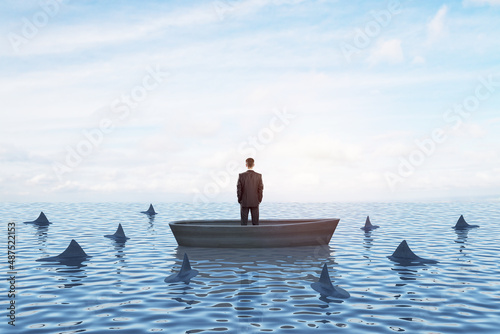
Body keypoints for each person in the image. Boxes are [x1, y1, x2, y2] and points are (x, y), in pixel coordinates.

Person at [237, 158, 263, 225]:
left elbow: (239, 189)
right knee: (255, 223)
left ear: (246, 165)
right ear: (253, 165)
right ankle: (256, 235)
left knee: (243, 223)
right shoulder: (259, 176)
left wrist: (239, 200)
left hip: (244, 201)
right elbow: (260, 189)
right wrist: (259, 200)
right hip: (255, 201)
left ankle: (244, 235)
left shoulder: (241, 176)